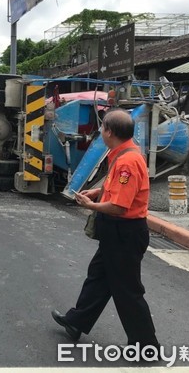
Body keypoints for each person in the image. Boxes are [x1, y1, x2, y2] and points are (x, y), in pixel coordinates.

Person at [51, 108, 160, 356]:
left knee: (127, 291)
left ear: (109, 131)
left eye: (102, 128)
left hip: (124, 232)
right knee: (98, 278)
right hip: (117, 232)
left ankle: (146, 347)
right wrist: (96, 193)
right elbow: (116, 192)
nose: (100, 132)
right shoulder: (123, 154)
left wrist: (91, 206)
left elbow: (120, 206)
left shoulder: (127, 163)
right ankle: (76, 321)